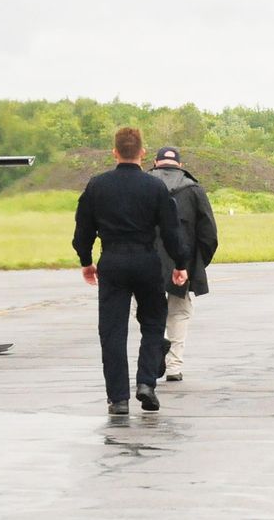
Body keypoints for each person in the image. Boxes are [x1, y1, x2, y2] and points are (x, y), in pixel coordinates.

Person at [74, 127, 189, 415]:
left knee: (112, 331)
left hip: (112, 261)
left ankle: (119, 398)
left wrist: (86, 261)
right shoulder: (155, 187)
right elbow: (172, 231)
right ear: (143, 152)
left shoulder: (97, 186)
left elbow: (83, 229)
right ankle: (146, 383)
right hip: (146, 261)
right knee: (153, 322)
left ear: (114, 152)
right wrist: (180, 264)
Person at [150, 146, 218, 382]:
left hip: (146, 260)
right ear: (180, 164)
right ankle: (174, 367)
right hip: (183, 261)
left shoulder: (144, 184)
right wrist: (197, 263)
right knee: (179, 313)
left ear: (155, 162)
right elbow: (209, 234)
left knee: (148, 311)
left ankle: (154, 347)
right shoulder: (193, 189)